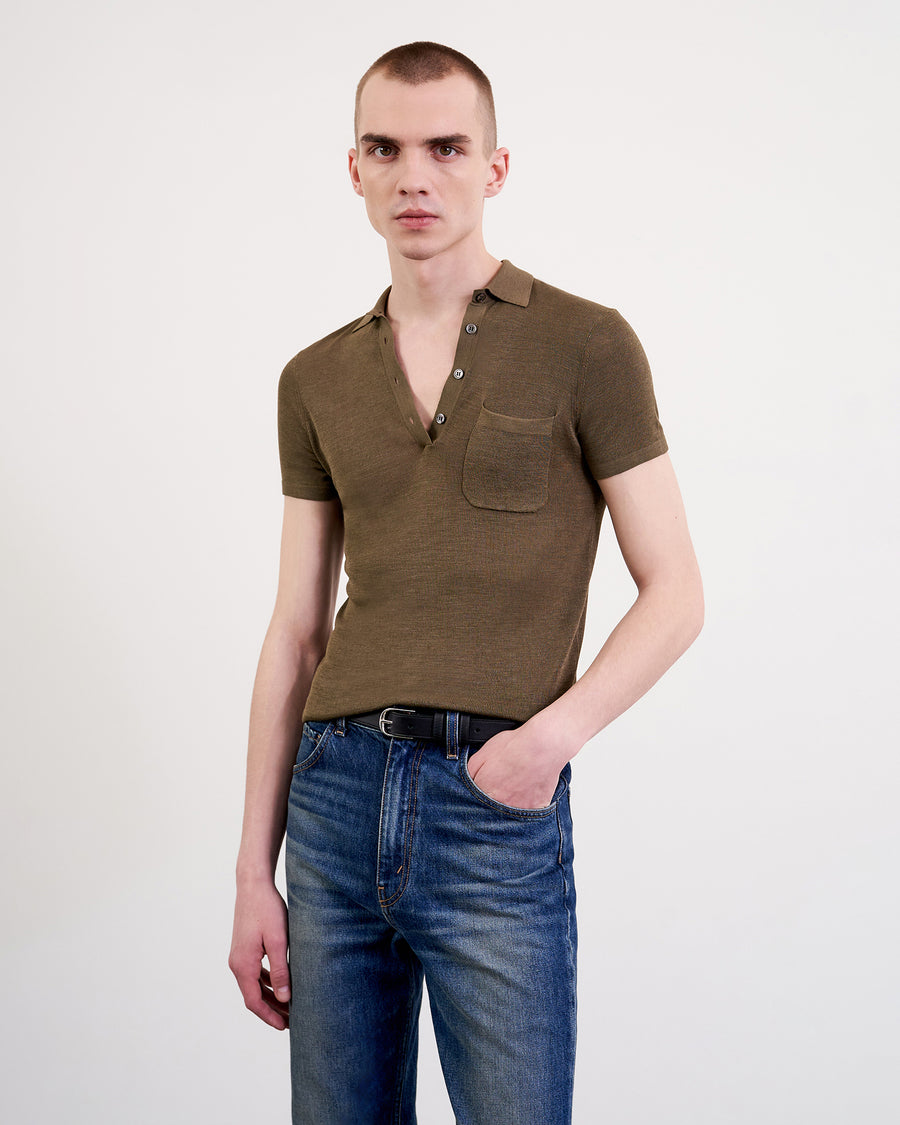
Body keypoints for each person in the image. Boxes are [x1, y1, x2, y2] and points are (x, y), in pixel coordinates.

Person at [229, 41, 703, 1125]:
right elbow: (296, 631)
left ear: (495, 167)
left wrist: (548, 743)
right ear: (354, 167)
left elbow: (676, 589)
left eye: (446, 148)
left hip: (492, 803)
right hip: (334, 801)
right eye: (386, 149)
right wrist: (255, 871)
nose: (416, 177)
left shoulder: (587, 345)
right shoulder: (314, 378)